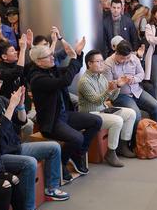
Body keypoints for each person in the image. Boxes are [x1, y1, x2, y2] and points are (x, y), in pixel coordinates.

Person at [0, 66, 68, 210]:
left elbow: (22, 121)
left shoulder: (0, 100)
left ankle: (51, 188)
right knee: (29, 163)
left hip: (15, 146)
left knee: (53, 147)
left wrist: (21, 105)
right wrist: (11, 106)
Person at [30, 38, 103, 178]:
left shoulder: (51, 70)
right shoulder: (37, 78)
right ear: (38, 61)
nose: (53, 57)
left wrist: (78, 53)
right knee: (77, 138)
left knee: (96, 121)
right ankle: (61, 162)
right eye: (49, 56)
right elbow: (65, 81)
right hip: (51, 121)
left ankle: (78, 154)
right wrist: (73, 58)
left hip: (64, 115)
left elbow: (73, 70)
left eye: (52, 55)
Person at [78, 50, 137, 167]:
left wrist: (118, 86)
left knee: (131, 113)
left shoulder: (101, 77)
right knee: (117, 121)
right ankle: (111, 153)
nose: (101, 64)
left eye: (102, 61)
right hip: (90, 114)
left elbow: (112, 98)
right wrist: (109, 89)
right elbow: (96, 100)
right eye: (98, 62)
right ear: (89, 64)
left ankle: (123, 146)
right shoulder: (84, 81)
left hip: (102, 110)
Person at [104, 40, 157, 140]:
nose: (126, 60)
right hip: (120, 95)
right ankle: (136, 140)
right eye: (122, 58)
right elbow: (108, 86)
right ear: (117, 53)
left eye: (128, 57)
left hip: (136, 91)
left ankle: (156, 135)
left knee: (156, 107)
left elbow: (141, 74)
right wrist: (118, 84)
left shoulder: (133, 58)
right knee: (136, 114)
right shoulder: (108, 64)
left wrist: (133, 80)